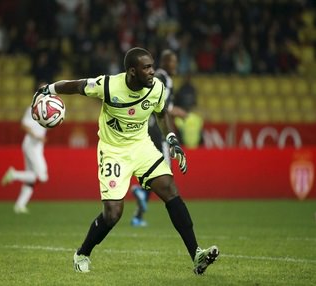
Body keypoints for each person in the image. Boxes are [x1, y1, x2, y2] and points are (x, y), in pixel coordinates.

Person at [32, 47, 219, 275]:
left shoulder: (157, 88)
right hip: (113, 151)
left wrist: (171, 139)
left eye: (152, 66)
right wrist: (48, 89)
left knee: (170, 189)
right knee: (113, 213)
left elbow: (161, 113)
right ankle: (82, 253)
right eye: (147, 67)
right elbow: (77, 85)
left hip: (141, 146)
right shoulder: (108, 86)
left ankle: (197, 255)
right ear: (132, 71)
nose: (152, 72)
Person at [130, 49, 187, 227]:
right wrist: (176, 111)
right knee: (164, 173)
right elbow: (161, 107)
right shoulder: (162, 79)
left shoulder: (159, 78)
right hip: (158, 132)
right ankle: (142, 191)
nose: (175, 65)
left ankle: (138, 216)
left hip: (151, 130)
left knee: (158, 172)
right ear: (164, 62)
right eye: (172, 61)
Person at [0, 102, 48, 214]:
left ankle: (20, 205)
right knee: (42, 176)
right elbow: (24, 125)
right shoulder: (32, 108)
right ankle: (14, 174)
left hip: (37, 146)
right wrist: (36, 136)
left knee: (30, 178)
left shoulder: (49, 107)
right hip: (31, 144)